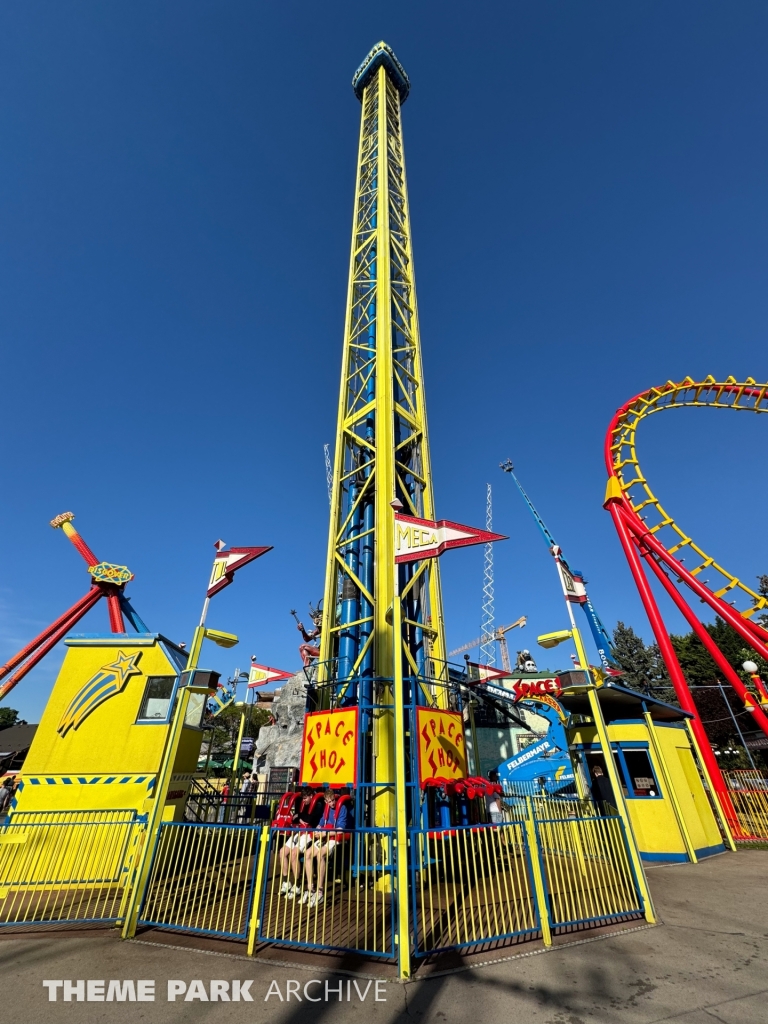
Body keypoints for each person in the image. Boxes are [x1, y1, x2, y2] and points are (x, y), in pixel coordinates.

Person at [302, 789, 352, 907]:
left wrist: (325, 833)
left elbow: (341, 829)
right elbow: (321, 823)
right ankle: (310, 888)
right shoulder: (327, 808)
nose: (332, 803)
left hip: (336, 837)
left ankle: (320, 891)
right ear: (325, 801)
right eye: (329, 801)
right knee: (307, 854)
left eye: (333, 800)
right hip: (325, 836)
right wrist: (319, 831)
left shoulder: (342, 808)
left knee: (320, 855)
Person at [279, 787, 325, 897]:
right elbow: (294, 818)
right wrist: (300, 817)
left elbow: (311, 820)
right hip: (300, 831)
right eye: (303, 798)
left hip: (310, 832)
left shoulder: (318, 804)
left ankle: (297, 885)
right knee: (282, 852)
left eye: (305, 798)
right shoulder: (303, 803)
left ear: (311, 796)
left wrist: (300, 816)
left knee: (294, 853)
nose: (303, 800)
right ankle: (286, 882)